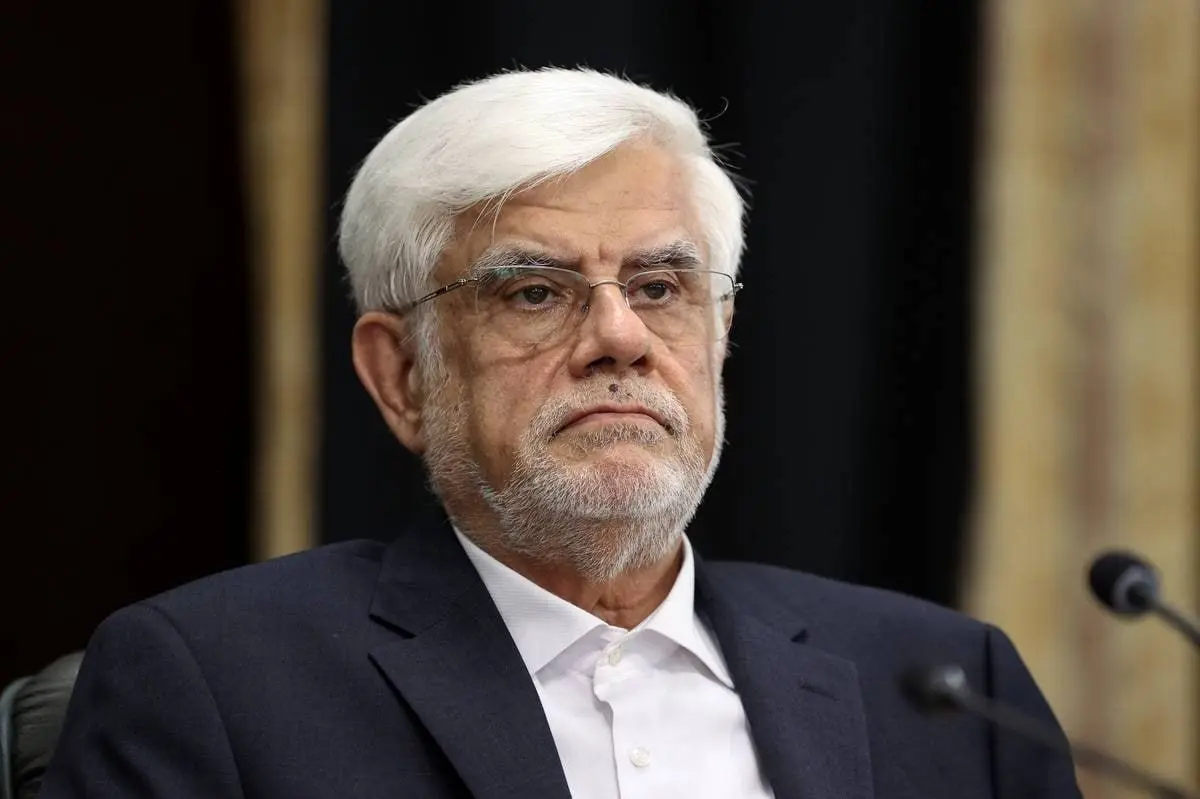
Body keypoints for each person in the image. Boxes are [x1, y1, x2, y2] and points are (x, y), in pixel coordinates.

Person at [41, 68, 1081, 798]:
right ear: (402, 376)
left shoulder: (951, 689)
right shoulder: (214, 681)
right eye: (534, 292)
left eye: (661, 286)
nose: (619, 337)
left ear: (719, 332)